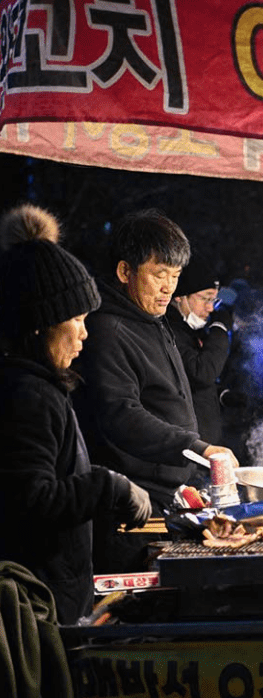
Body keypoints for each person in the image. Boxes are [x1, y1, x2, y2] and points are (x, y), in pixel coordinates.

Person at [0, 206, 151, 624]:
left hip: (52, 599)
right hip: (38, 609)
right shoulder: (27, 395)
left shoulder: (37, 386)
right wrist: (110, 486)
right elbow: (32, 501)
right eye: (78, 319)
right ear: (41, 325)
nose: (85, 332)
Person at [73, 209, 238, 571]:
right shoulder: (108, 330)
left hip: (165, 499)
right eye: (159, 274)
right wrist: (197, 448)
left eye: (175, 276)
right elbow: (121, 414)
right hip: (129, 509)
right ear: (125, 272)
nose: (168, 288)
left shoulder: (152, 320)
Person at [166, 260, 232, 445]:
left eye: (213, 300)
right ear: (180, 296)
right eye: (205, 298)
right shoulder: (169, 331)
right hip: (187, 446)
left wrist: (221, 395)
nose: (210, 308)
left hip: (204, 442)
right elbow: (202, 372)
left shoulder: (191, 330)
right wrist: (219, 329)